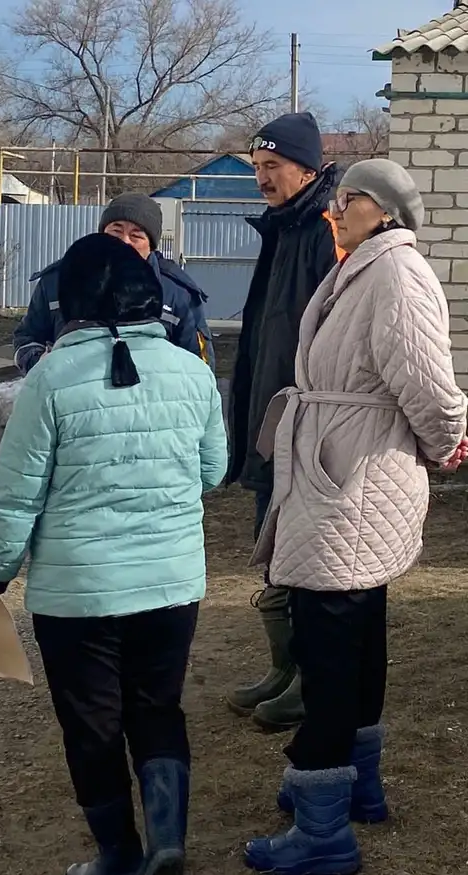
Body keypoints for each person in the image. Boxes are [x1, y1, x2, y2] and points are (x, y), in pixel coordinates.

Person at [0, 233, 228, 875]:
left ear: (74, 301)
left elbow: (18, 494)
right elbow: (213, 470)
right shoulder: (192, 372)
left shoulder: (49, 379)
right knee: (157, 707)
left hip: (78, 593)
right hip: (170, 583)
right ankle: (168, 841)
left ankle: (118, 855)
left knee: (92, 724)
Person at [243, 159, 468, 875]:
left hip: (354, 480)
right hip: (343, 471)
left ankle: (323, 829)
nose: (335, 210)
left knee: (330, 645)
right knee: (354, 635)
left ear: (389, 210)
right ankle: (355, 786)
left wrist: (447, 443)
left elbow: (429, 384)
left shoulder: (395, 273)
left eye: (350, 199)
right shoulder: (362, 267)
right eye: (337, 199)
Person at [224, 111, 345, 732]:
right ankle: (285, 668)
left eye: (273, 166)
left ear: (307, 168)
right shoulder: (282, 227)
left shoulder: (326, 229)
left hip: (308, 425)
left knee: (306, 556)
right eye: (257, 167)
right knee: (272, 547)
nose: (262, 178)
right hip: (272, 416)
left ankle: (312, 680)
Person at [13, 192, 215, 374]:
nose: (124, 241)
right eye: (116, 231)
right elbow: (27, 338)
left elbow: (200, 367)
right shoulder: (58, 280)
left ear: (151, 246)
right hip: (70, 396)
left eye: (136, 236)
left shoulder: (177, 293)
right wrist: (41, 365)